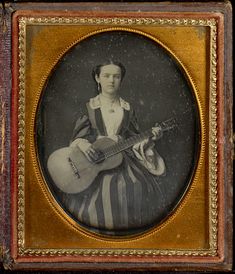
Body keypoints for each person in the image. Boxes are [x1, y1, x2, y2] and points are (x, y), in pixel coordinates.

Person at [61, 60, 166, 235]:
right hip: (92, 161)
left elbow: (133, 138)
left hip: (122, 159)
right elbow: (78, 137)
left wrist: (149, 137)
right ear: (97, 78)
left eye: (116, 77)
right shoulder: (89, 108)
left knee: (134, 185)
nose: (111, 80)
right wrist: (85, 145)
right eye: (106, 76)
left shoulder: (127, 109)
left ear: (121, 80)